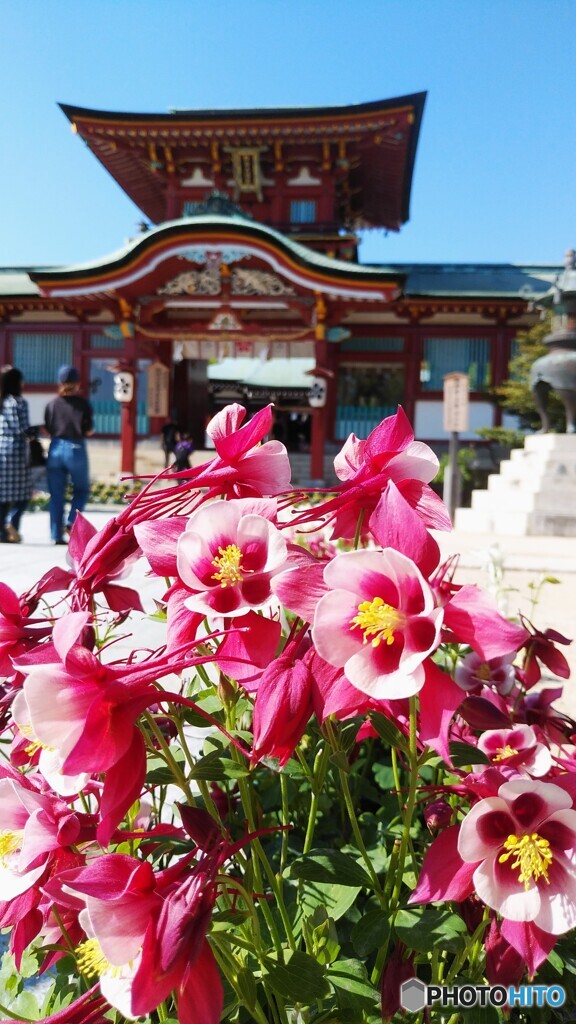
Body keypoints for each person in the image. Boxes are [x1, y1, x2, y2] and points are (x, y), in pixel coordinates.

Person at [44, 365, 94, 545]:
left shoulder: (52, 404)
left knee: (56, 494)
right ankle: (71, 521)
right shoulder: (83, 404)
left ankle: (55, 535)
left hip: (56, 448)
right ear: (77, 382)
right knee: (81, 490)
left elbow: (49, 429)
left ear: (60, 381)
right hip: (75, 448)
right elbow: (88, 430)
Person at [0, 366, 32, 543]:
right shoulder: (19, 402)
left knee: (2, 495)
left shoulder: (1, 401)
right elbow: (22, 428)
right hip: (16, 449)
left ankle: (2, 532)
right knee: (24, 494)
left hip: (0, 446)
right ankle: (12, 523)